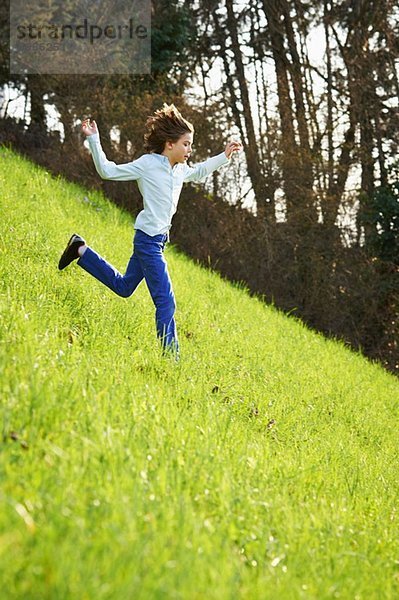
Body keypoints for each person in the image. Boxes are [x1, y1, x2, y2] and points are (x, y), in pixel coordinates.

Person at [58, 103, 241, 357]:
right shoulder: (148, 165)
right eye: (186, 144)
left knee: (124, 287)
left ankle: (80, 249)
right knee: (166, 302)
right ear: (169, 144)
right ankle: (171, 360)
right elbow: (107, 171)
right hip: (148, 243)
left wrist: (224, 156)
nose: (189, 149)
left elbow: (199, 172)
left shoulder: (179, 170)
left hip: (157, 242)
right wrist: (94, 140)